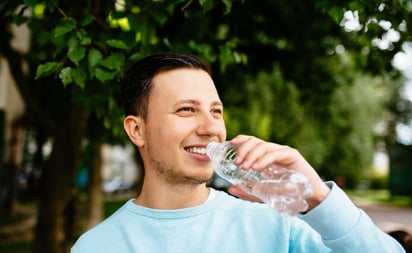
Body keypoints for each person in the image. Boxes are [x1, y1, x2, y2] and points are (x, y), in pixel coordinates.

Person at [71, 52, 404, 252]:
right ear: (136, 130)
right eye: (186, 110)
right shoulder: (95, 246)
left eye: (216, 111)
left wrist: (316, 197)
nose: (210, 127)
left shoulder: (277, 226)